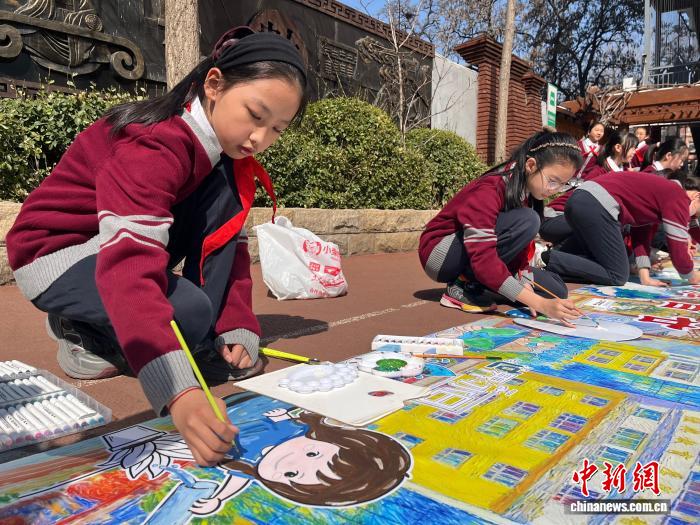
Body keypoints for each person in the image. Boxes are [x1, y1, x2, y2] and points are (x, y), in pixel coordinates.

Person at [6, 26, 307, 466]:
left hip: (109, 248)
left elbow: (227, 247)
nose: (260, 138)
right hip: (56, 254)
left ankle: (127, 324)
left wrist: (237, 329)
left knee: (201, 319)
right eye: (255, 115)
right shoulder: (154, 144)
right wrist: (178, 392)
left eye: (277, 128)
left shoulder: (225, 159)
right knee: (189, 313)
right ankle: (82, 331)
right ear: (214, 85)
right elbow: (129, 264)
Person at [419, 129, 583, 324]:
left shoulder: (526, 191)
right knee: (529, 221)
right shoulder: (492, 187)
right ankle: (463, 284)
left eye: (563, 185)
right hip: (441, 256)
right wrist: (539, 303)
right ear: (531, 165)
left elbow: (518, 249)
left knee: (556, 290)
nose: (554, 190)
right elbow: (483, 254)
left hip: (474, 253)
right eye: (552, 181)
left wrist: (522, 279)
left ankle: (488, 281)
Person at [544, 172, 700, 287]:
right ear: (697, 197)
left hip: (581, 199)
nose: (693, 219)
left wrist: (645, 276)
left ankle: (551, 260)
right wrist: (692, 275)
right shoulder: (678, 197)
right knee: (617, 275)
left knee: (598, 260)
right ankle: (546, 258)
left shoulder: (665, 192)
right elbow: (678, 251)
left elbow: (641, 235)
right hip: (596, 205)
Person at [540, 131, 638, 246]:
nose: (635, 152)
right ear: (618, 147)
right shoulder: (600, 172)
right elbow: (582, 205)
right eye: (633, 148)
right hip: (558, 215)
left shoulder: (622, 173)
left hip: (578, 218)